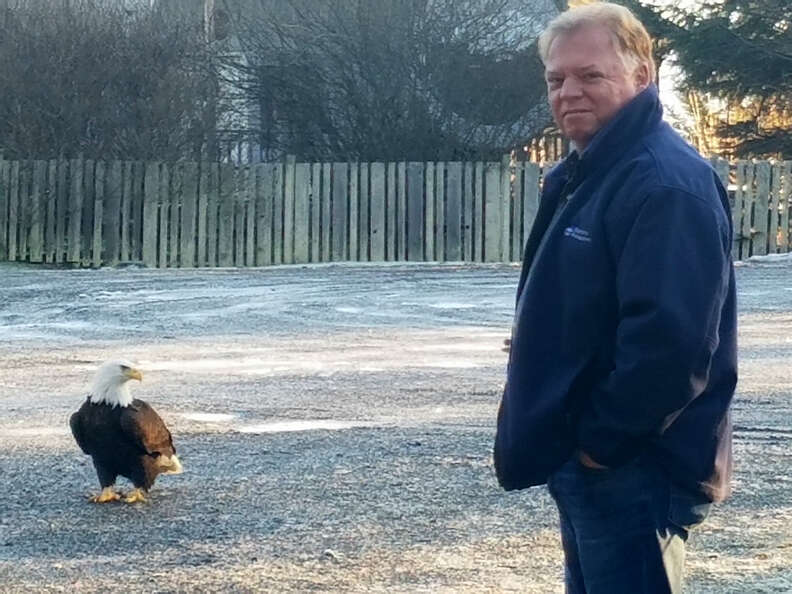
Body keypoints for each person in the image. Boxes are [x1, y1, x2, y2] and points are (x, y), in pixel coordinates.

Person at [493, 3, 737, 593]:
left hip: (633, 468)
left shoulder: (663, 182)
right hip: (595, 462)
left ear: (642, 76)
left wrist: (600, 447)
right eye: (556, 79)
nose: (568, 92)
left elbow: (672, 349)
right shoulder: (593, 170)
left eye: (590, 75)